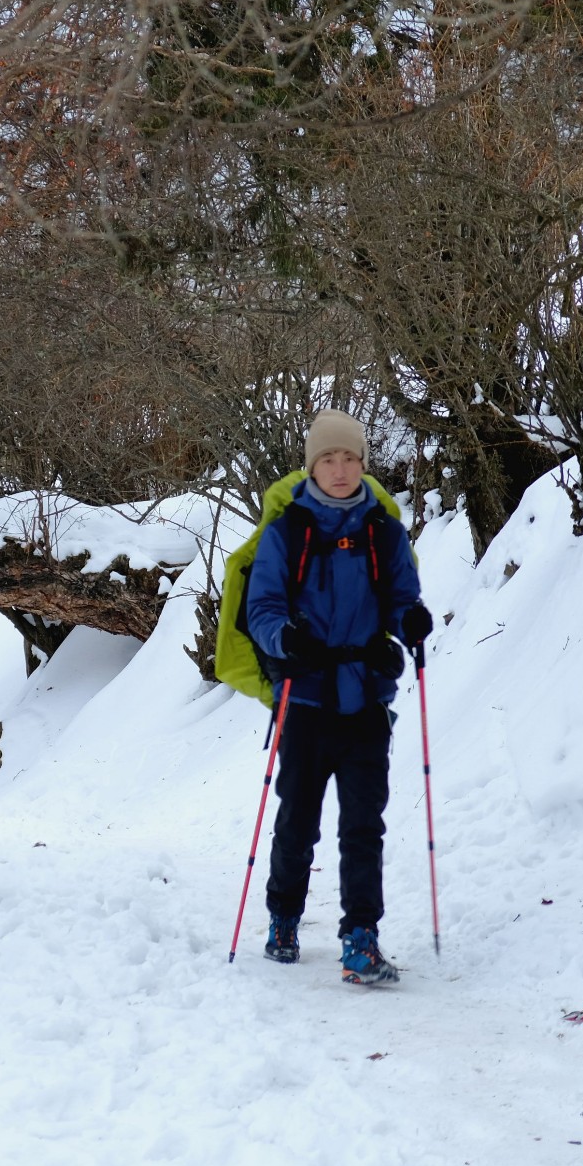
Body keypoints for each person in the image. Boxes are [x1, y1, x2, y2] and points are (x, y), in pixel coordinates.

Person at [243, 409, 432, 985]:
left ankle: (360, 937)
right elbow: (262, 609)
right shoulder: (288, 533)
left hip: (367, 699)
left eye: (351, 457)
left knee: (363, 825)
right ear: (312, 465)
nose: (341, 468)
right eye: (329, 458)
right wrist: (285, 638)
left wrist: (410, 623)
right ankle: (283, 918)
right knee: (298, 819)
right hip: (303, 700)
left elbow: (402, 597)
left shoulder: (384, 531)